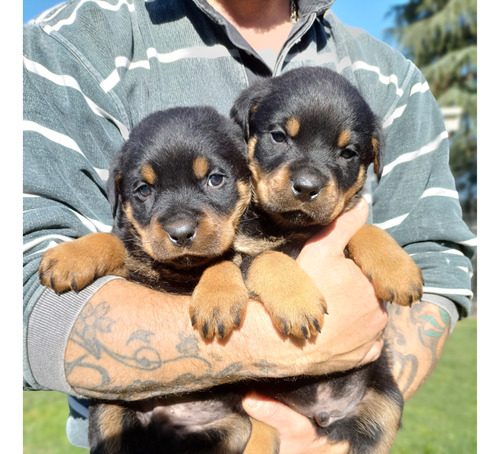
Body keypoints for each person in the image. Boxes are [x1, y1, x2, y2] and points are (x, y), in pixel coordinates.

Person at [23, 0, 476, 452]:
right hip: (156, 431)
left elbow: (435, 264)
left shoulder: (395, 77)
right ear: (249, 139)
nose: (307, 178)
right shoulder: (69, 41)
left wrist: (322, 441)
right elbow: (25, 292)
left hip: (321, 418)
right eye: (280, 137)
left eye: (347, 153)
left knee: (381, 408)